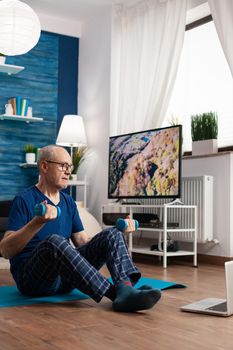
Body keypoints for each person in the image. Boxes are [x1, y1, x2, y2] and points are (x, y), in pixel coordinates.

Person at [0, 145, 161, 312]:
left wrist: (118, 234)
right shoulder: (24, 199)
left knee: (111, 234)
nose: (68, 171)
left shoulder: (68, 201)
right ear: (44, 166)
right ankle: (116, 295)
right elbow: (5, 250)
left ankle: (125, 288)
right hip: (33, 282)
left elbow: (82, 241)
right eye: (63, 165)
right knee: (54, 241)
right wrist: (37, 222)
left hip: (65, 279)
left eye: (70, 167)